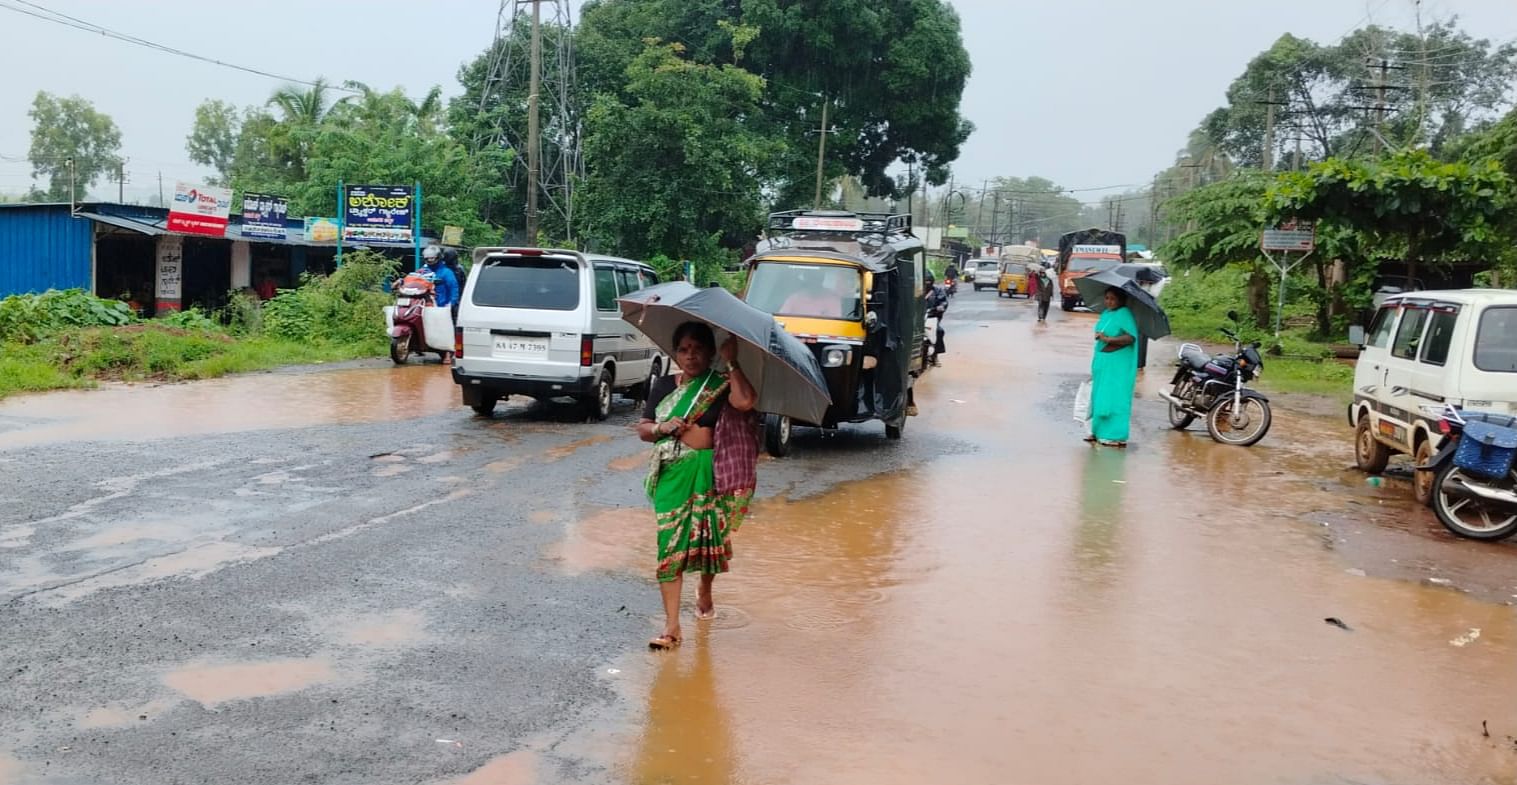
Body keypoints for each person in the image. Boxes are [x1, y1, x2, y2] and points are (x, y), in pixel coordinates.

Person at [637, 322, 758, 650]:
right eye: (683, 349)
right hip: (672, 477)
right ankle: (672, 627)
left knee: (708, 541)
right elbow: (644, 428)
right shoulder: (663, 386)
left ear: (710, 352)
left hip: (709, 477)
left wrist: (732, 362)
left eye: (698, 349)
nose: (690, 356)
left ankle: (704, 590)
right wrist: (664, 426)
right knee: (669, 546)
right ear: (675, 353)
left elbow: (746, 402)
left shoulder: (719, 385)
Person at [1087, 287, 1139, 447]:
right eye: (1107, 298)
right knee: (1100, 396)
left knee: (1114, 397)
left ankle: (1115, 435)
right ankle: (1098, 431)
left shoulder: (1125, 314)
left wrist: (1109, 339)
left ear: (1121, 300)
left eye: (1113, 299)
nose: (1109, 301)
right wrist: (1100, 336)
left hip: (1117, 365)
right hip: (1104, 362)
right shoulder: (1106, 314)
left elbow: (1130, 338)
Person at [924, 273, 949, 365]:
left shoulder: (937, 291)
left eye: (928, 281)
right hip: (916, 318)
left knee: (939, 331)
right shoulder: (916, 290)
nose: (927, 284)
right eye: (925, 281)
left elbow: (943, 302)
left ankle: (935, 355)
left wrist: (941, 307)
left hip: (931, 317)